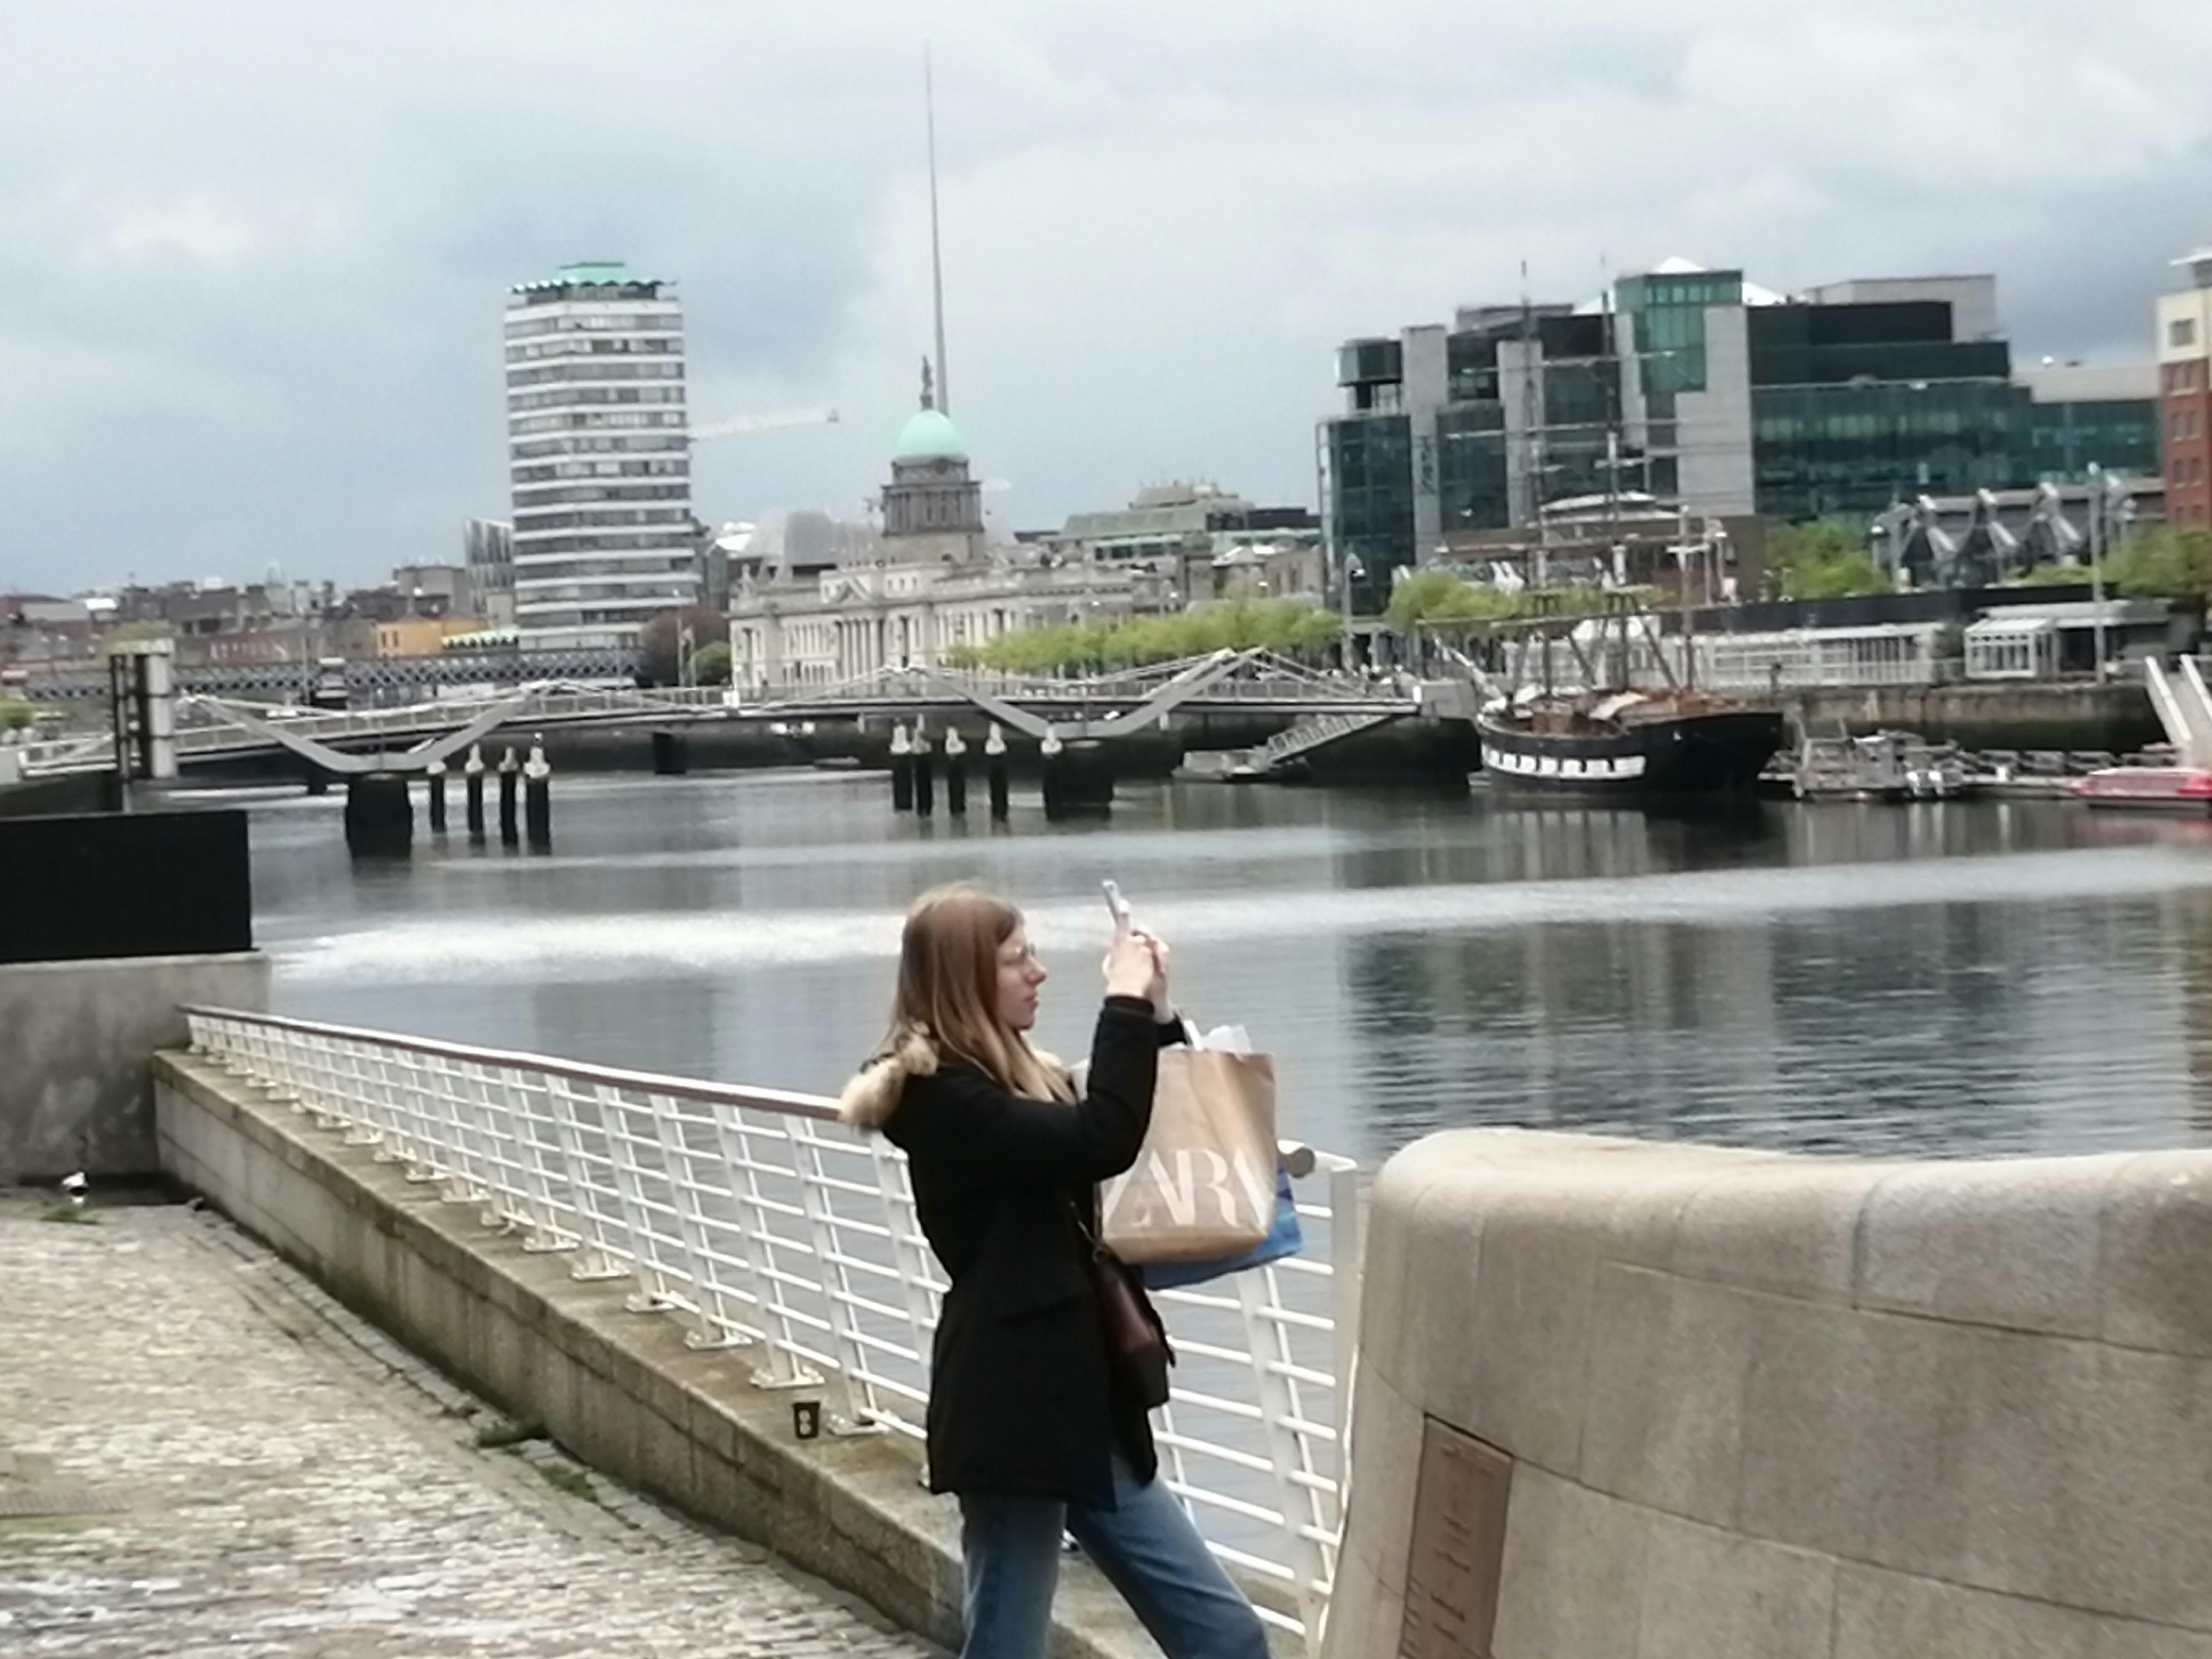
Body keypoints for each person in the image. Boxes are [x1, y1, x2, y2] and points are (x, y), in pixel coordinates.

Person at [839, 883, 1270, 1659]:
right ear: (966, 978)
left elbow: (1136, 1118)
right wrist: (1122, 1004)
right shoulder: (939, 1099)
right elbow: (1102, 1136)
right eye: (1016, 960)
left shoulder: (1022, 1078)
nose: (1038, 973)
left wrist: (1157, 1011)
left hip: (1084, 1399)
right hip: (1013, 1407)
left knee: (1227, 1639)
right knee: (1007, 1647)